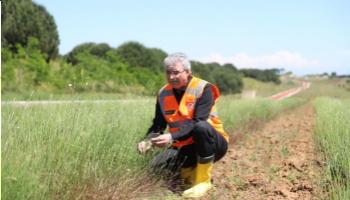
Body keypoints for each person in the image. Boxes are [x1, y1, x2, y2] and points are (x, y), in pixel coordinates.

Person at [138, 53, 229, 198]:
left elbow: (199, 121)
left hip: (213, 143)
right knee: (154, 168)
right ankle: (189, 172)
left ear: (188, 72)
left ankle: (203, 181)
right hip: (184, 146)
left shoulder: (203, 89)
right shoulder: (163, 93)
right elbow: (158, 125)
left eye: (176, 72)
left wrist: (171, 137)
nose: (172, 77)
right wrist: (148, 140)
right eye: (168, 72)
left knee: (201, 127)